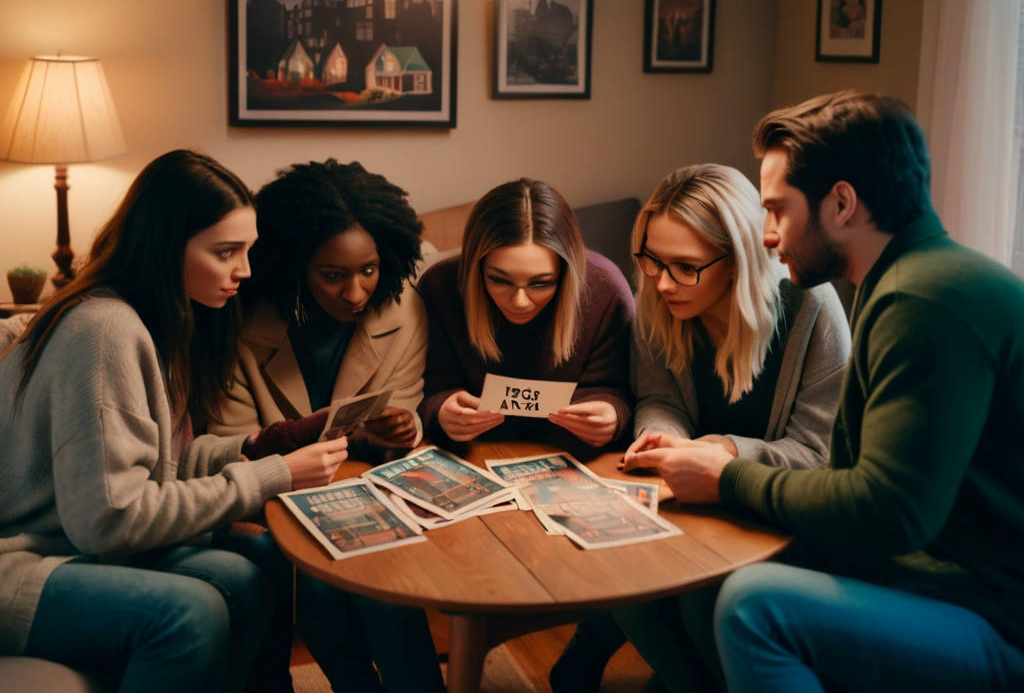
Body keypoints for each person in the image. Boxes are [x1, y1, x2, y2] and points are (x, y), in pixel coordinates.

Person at [638, 91, 1024, 692]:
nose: (766, 235)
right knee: (696, 585)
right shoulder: (900, 283)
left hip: (993, 611)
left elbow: (889, 511)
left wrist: (729, 476)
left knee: (752, 603)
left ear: (841, 203)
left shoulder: (923, 300)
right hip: (938, 574)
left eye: (778, 210)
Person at [0, 150, 350, 692]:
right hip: (24, 562)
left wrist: (264, 447)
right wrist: (273, 477)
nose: (245, 271)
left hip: (71, 545)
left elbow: (150, 468)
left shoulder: (154, 319)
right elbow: (110, 520)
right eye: (225, 252)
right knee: (191, 612)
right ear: (165, 246)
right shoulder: (102, 330)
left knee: (257, 563)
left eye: (248, 250)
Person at [553, 164, 850, 693]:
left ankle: (615, 654)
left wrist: (726, 452)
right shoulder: (658, 300)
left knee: (695, 597)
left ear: (738, 260)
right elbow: (659, 397)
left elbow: (822, 453)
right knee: (630, 573)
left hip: (779, 512)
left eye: (685, 267)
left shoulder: (812, 308)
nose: (662, 282)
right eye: (650, 260)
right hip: (690, 499)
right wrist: (666, 436)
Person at [207, 158, 444, 693]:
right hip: (268, 494)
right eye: (332, 275)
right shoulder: (238, 321)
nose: (356, 293)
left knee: (382, 573)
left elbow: (400, 416)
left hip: (361, 487)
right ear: (293, 265)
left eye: (369, 269)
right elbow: (231, 445)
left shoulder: (404, 309)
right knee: (311, 574)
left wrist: (401, 429)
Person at [417, 178, 634, 452]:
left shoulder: (605, 291)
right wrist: (440, 410)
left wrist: (612, 414)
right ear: (476, 267)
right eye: (499, 280)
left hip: (572, 457)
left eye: (540, 283)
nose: (519, 302)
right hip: (474, 453)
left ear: (565, 273)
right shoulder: (441, 287)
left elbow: (626, 390)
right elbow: (423, 391)